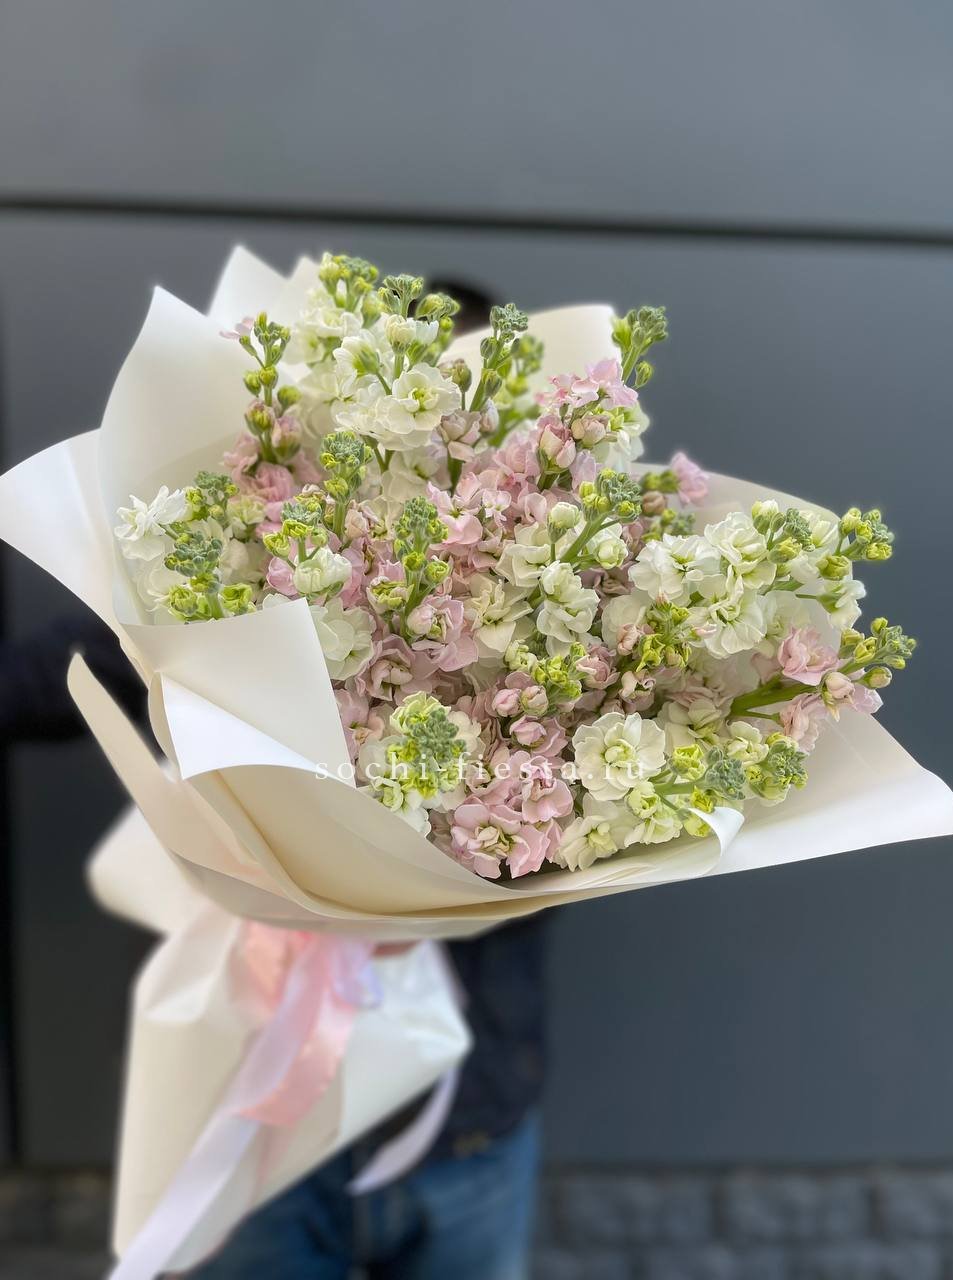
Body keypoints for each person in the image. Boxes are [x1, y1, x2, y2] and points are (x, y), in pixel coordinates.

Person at [0, 279, 550, 1280]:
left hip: (469, 1113)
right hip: (258, 1117)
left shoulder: (556, 594)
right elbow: (62, 670)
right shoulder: (252, 546)